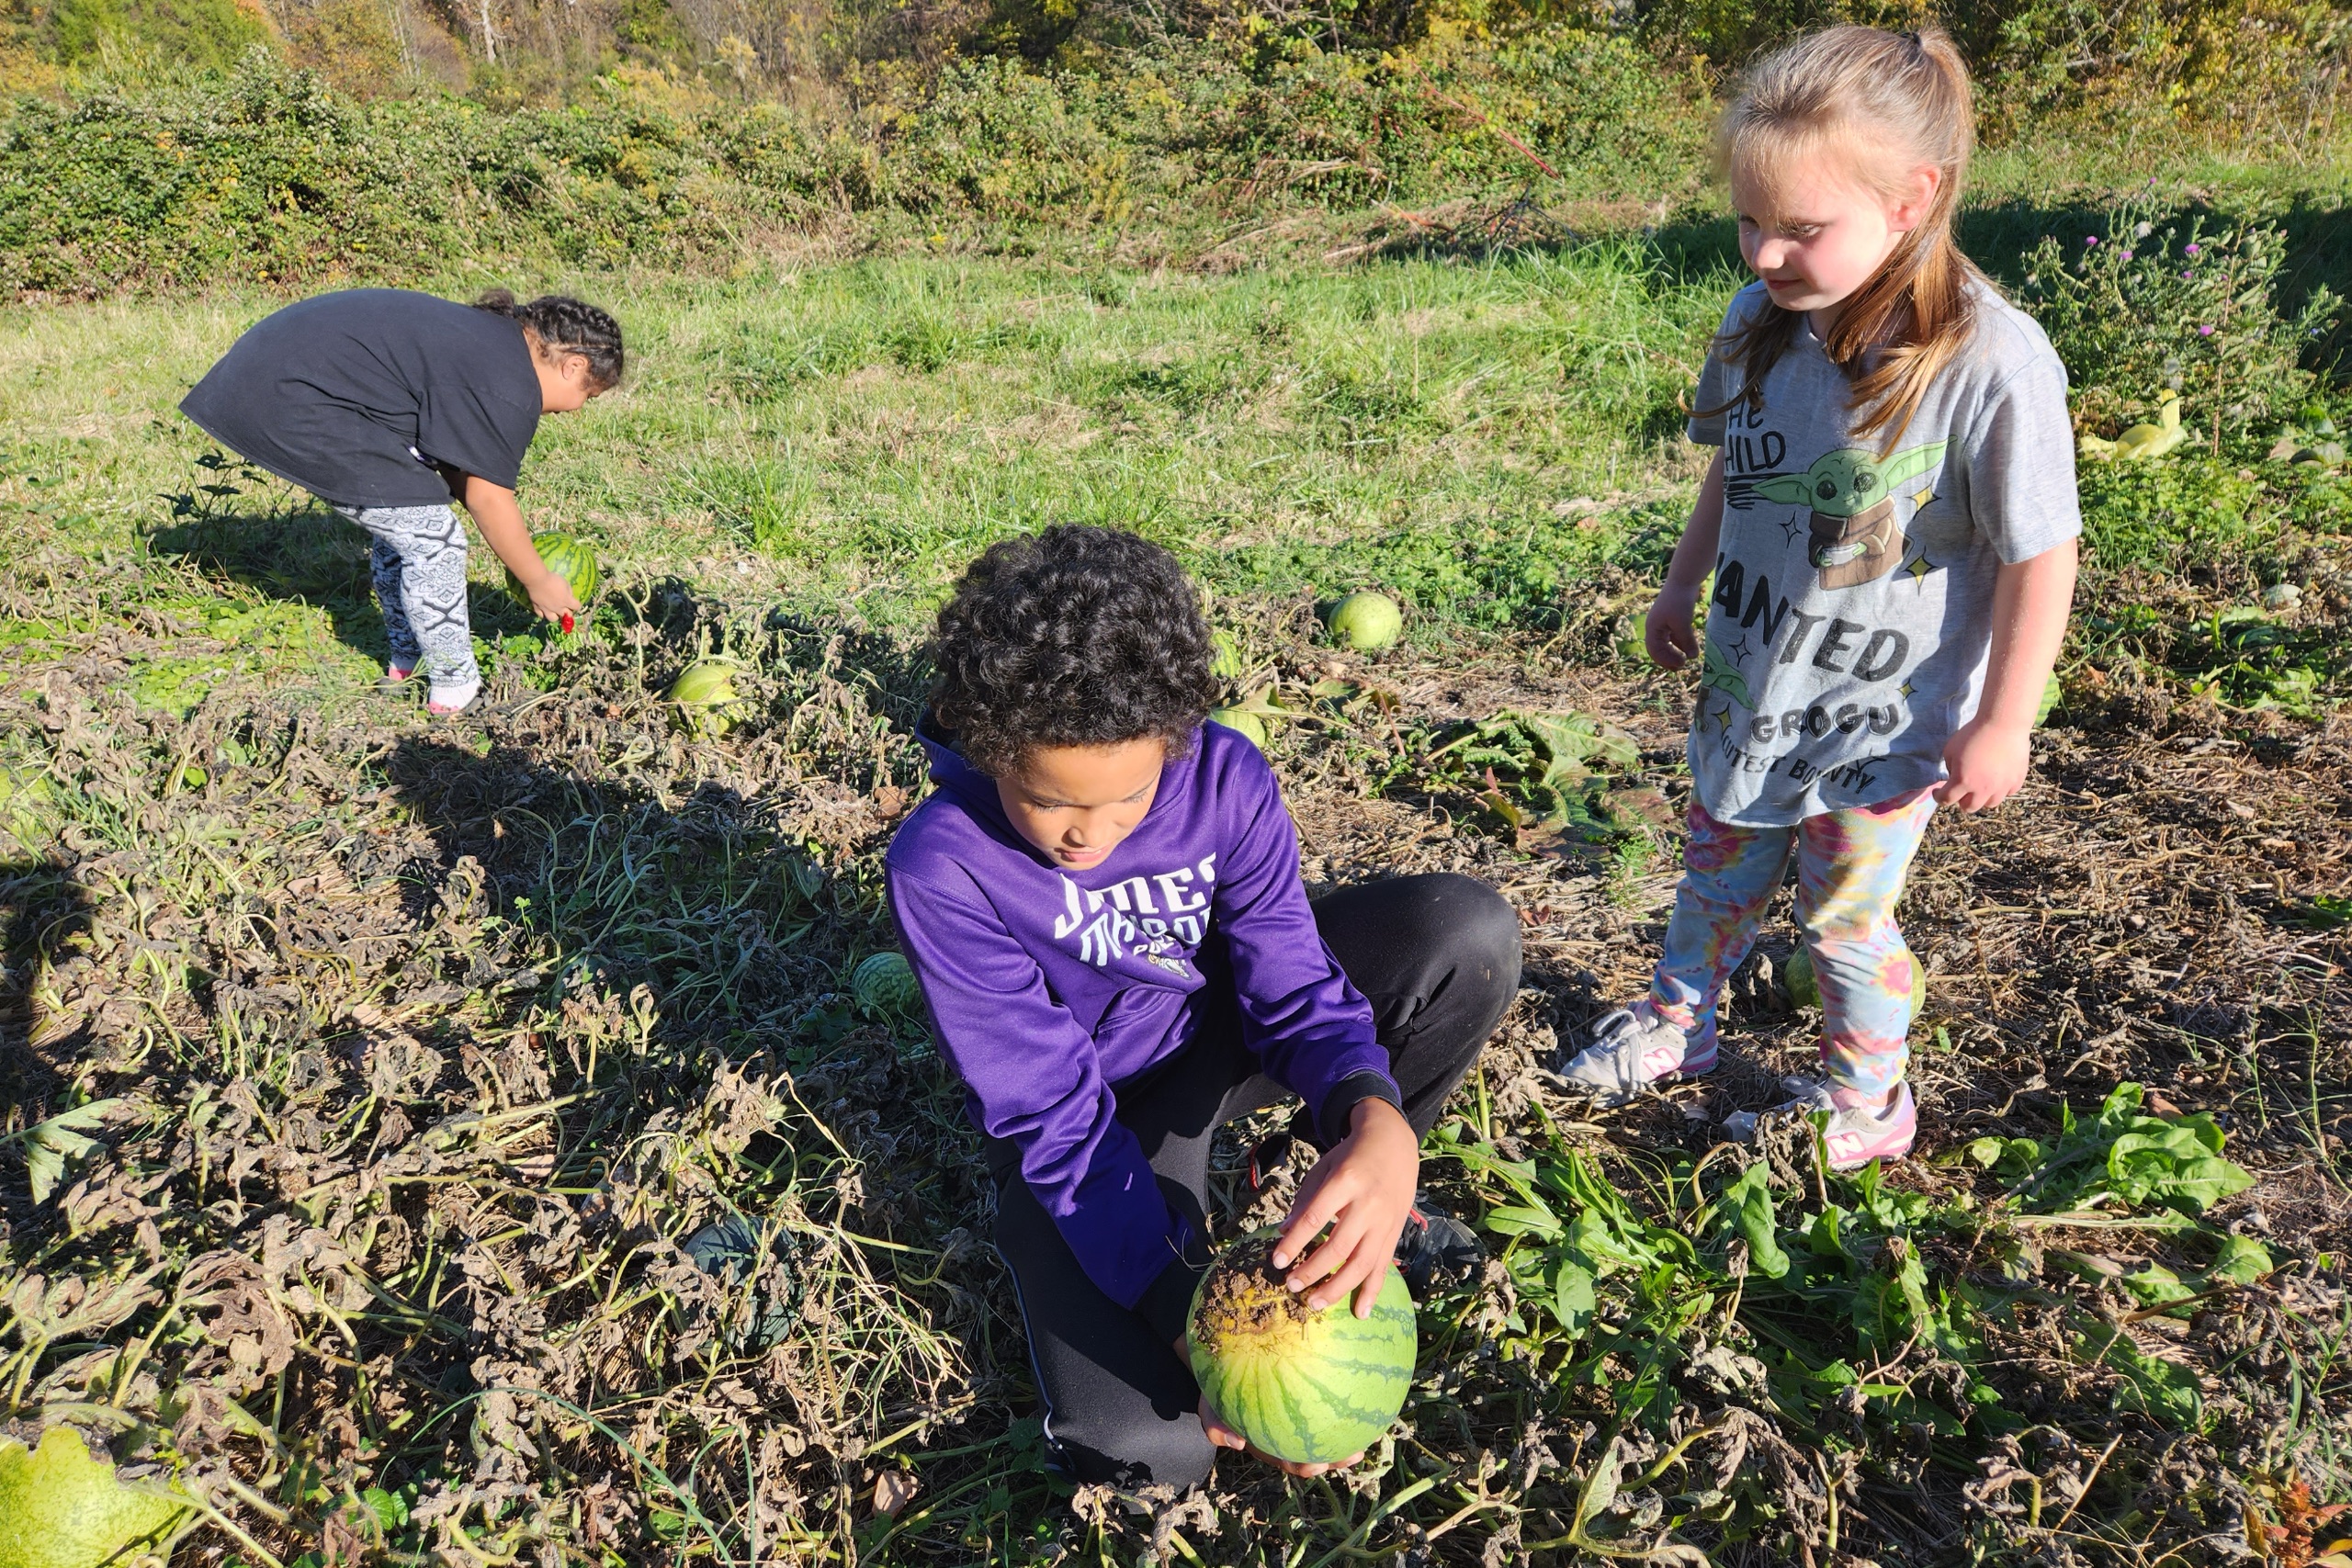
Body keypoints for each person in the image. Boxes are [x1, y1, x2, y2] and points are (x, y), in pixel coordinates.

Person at [885, 526, 1520, 1488]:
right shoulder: (944, 863)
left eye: (1128, 799)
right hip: (1097, 1118)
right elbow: (1050, 1112)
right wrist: (1194, 1325)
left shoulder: (1225, 778)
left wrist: (1372, 1112)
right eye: (1045, 797)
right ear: (990, 748)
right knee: (1150, 1450)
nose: (1083, 837)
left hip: (1222, 1041)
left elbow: (1294, 985)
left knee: (1464, 936)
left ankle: (1374, 1197)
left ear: (1173, 742)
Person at [1555, 26, 2079, 1169]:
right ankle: (1675, 1029)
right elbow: (1733, 463)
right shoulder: (1759, 324)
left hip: (1882, 722)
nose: (1765, 254)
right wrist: (1682, 579)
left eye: (1800, 229)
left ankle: (1867, 1105)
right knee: (1714, 873)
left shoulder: (1988, 362)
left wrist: (2006, 722)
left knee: (1842, 920)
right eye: (1750, 221)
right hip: (1754, 680)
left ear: (1912, 198)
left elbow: (2044, 553)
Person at [179, 288, 623, 716]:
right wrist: (537, 578)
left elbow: (463, 469)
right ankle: (456, 689)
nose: (579, 408)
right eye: (589, 394)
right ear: (573, 366)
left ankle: (407, 660)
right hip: (292, 398)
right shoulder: (510, 382)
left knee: (413, 515)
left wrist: (518, 555)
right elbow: (488, 494)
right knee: (436, 540)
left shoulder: (494, 347)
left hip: (271, 378)